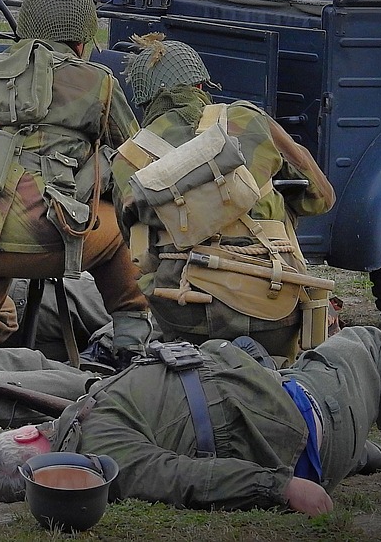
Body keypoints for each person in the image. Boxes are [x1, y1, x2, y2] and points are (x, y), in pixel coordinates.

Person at [0, 326, 381, 513]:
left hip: (273, 404)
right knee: (369, 346)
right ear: (30, 437)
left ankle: (363, 453)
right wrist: (281, 489)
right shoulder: (107, 457)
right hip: (302, 426)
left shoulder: (91, 425)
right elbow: (181, 477)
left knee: (266, 354)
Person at [0, 0, 151, 352]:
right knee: (127, 229)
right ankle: (130, 340)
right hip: (46, 232)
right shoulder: (96, 80)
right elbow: (134, 163)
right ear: (81, 43)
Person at [107, 34, 335, 362]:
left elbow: (136, 249)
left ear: (145, 102)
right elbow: (320, 199)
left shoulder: (127, 158)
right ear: (201, 86)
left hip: (183, 308)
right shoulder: (246, 118)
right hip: (271, 298)